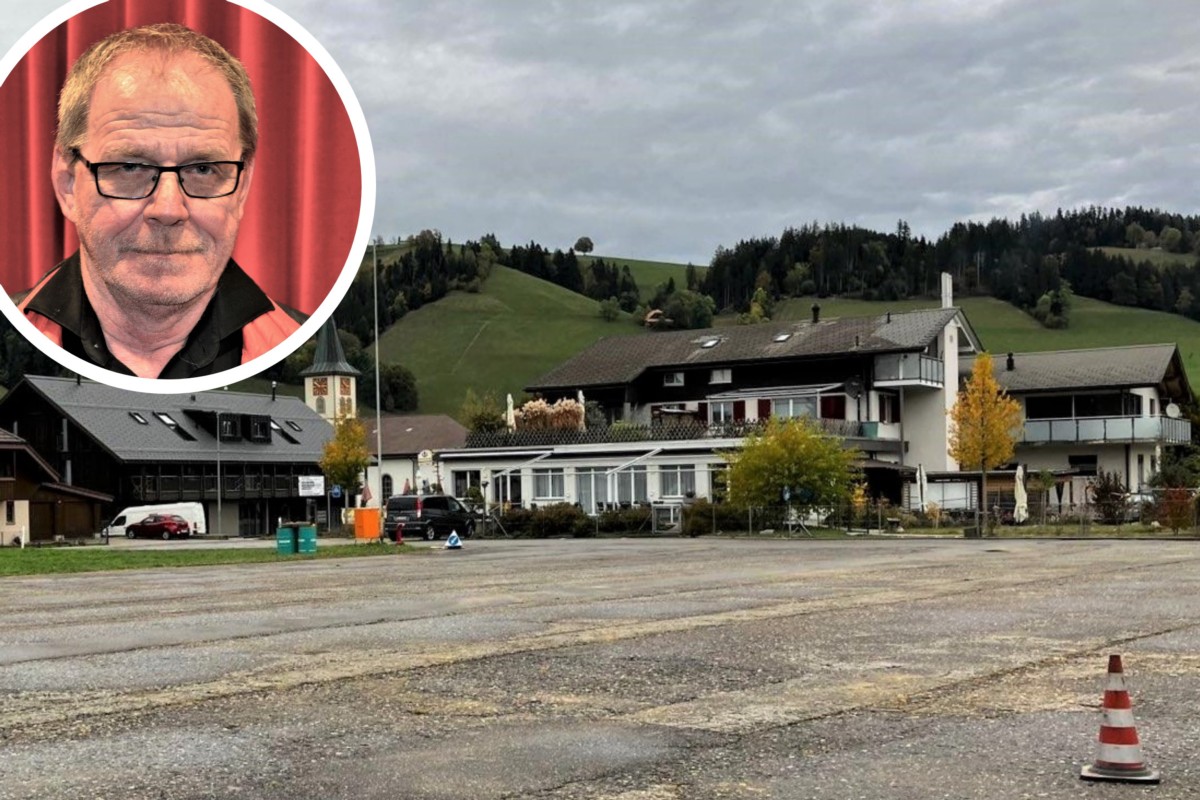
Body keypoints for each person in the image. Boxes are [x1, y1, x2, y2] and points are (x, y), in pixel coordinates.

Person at [14, 22, 304, 379]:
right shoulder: (14, 334)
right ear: (68, 183)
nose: (168, 210)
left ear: (242, 187)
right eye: (131, 167)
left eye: (202, 169)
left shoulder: (300, 346)